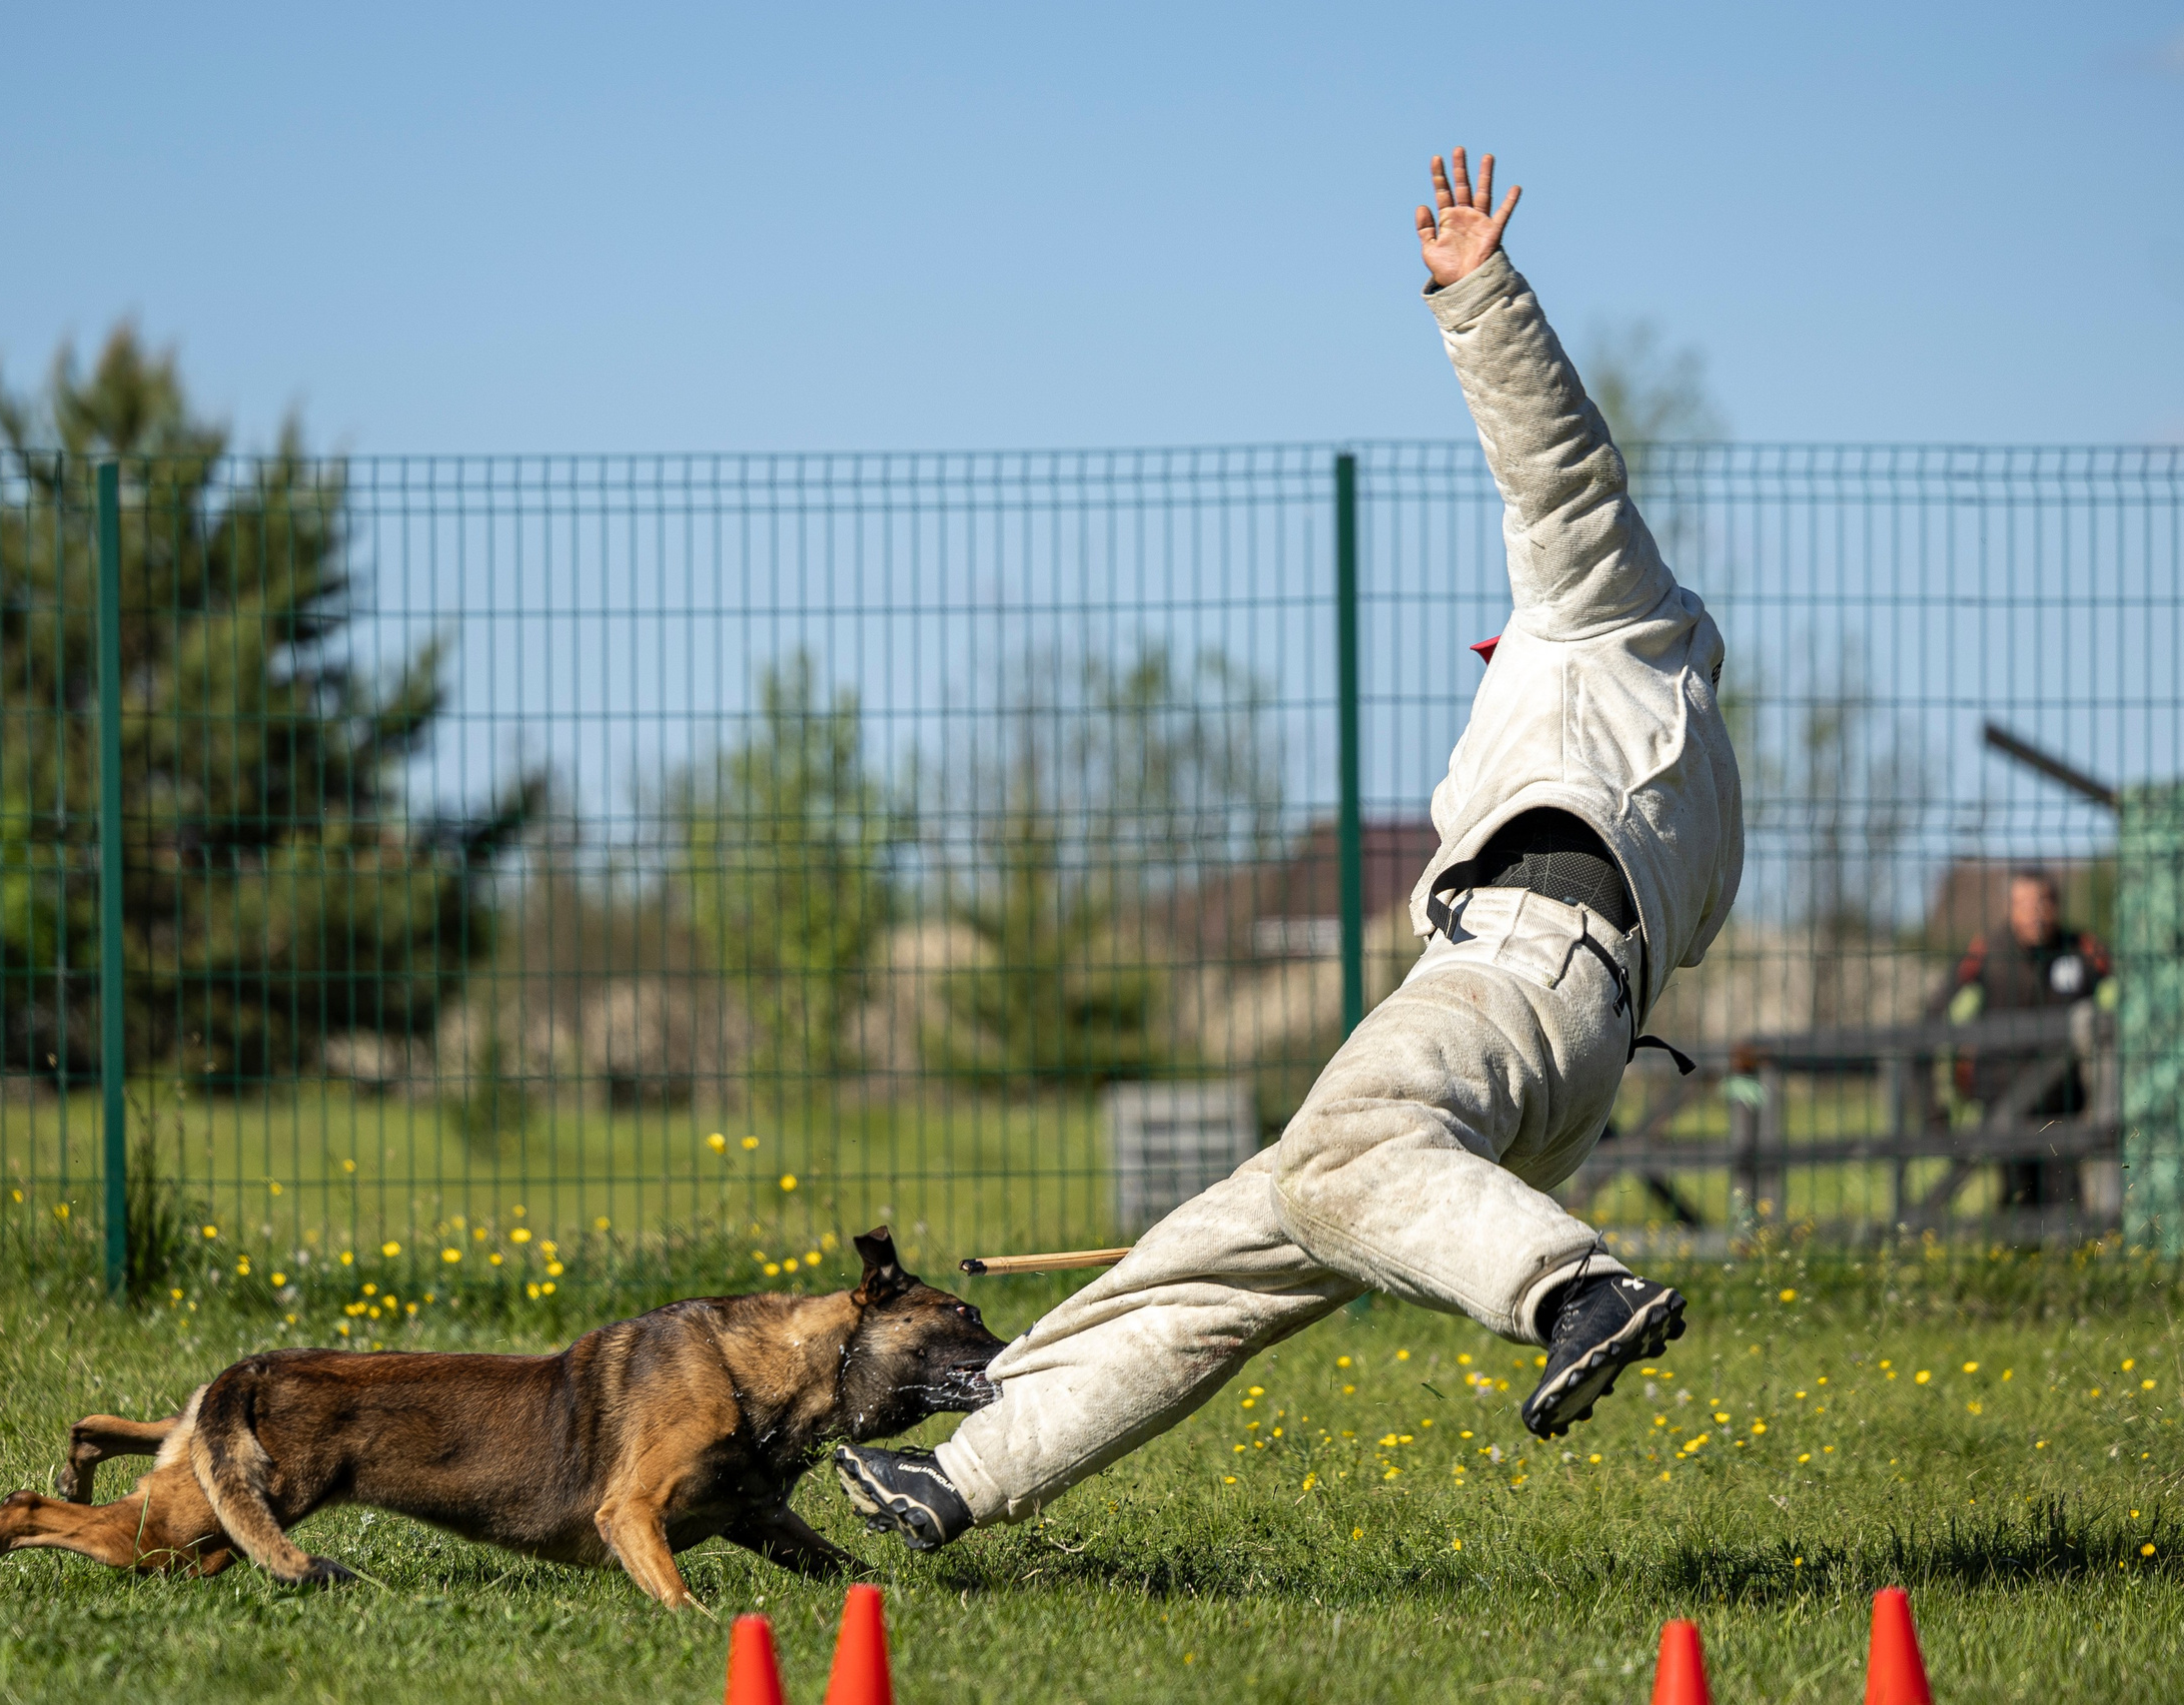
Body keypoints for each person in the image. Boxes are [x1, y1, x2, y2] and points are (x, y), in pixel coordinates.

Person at [837, 149, 1744, 1550]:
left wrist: (1480, 296)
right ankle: (963, 1474)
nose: (1494, 648)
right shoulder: (1692, 769)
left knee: (1341, 1159)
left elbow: (1558, 474)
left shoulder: (1611, 613)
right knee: (1218, 1257)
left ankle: (1578, 1291)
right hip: (1576, 1047)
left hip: (1520, 964)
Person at [1937, 869, 2113, 1207]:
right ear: (2010, 907)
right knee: (2018, 1197)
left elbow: (2127, 996)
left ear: (2057, 905)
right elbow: (1938, 1013)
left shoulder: (2083, 949)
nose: (2036, 913)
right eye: (2025, 904)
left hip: (2064, 1104)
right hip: (2002, 1103)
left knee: (2066, 1200)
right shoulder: (1986, 952)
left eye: (2043, 902)